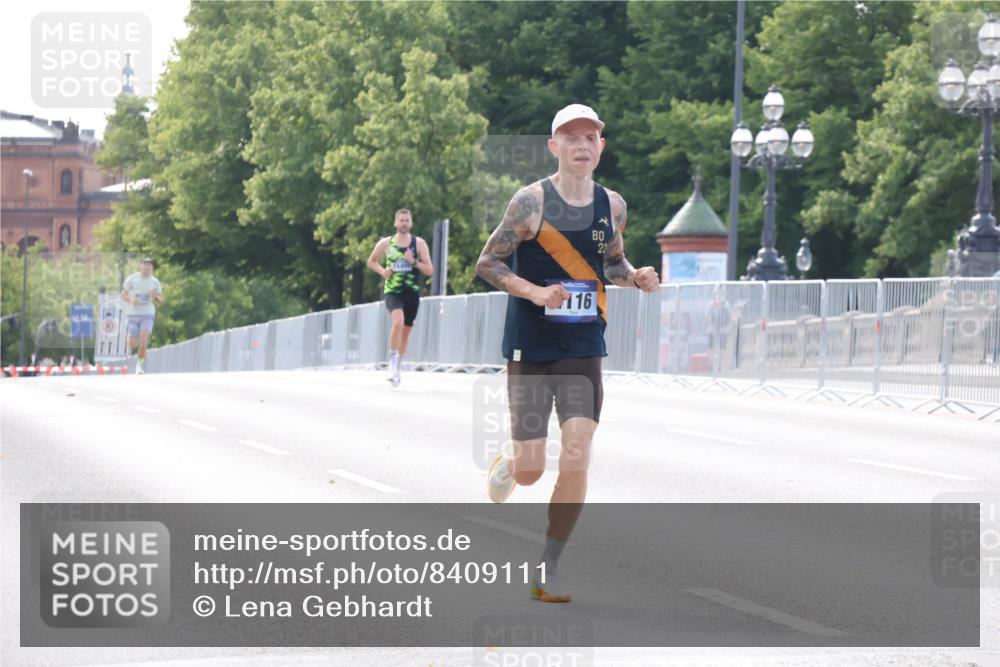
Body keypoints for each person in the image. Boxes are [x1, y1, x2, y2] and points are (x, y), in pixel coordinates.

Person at [476, 104, 659, 602]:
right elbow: (487, 261)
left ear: (601, 146)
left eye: (590, 137)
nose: (582, 145)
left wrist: (636, 277)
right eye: (571, 137)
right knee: (534, 470)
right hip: (531, 345)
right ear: (554, 147)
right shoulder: (530, 202)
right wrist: (533, 292)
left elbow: (613, 263)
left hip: (582, 343)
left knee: (577, 458)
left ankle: (548, 568)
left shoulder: (612, 205)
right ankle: (514, 462)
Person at [366, 208, 433, 387]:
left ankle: (398, 365)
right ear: (395, 223)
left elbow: (430, 270)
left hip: (411, 292)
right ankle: (392, 362)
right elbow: (371, 261)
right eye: (401, 220)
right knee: (397, 322)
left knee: (406, 331)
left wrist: (414, 262)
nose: (404, 223)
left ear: (411, 223)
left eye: (407, 220)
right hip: (393, 291)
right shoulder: (386, 243)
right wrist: (382, 271)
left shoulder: (418, 244)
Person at [121, 257, 163, 374]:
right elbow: (123, 294)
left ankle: (139, 364)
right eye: (144, 265)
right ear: (141, 266)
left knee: (144, 339)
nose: (146, 267)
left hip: (148, 313)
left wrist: (155, 296)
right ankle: (132, 340)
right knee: (132, 344)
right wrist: (131, 299)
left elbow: (161, 299)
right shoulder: (132, 279)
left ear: (152, 268)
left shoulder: (155, 282)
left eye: (149, 265)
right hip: (133, 314)